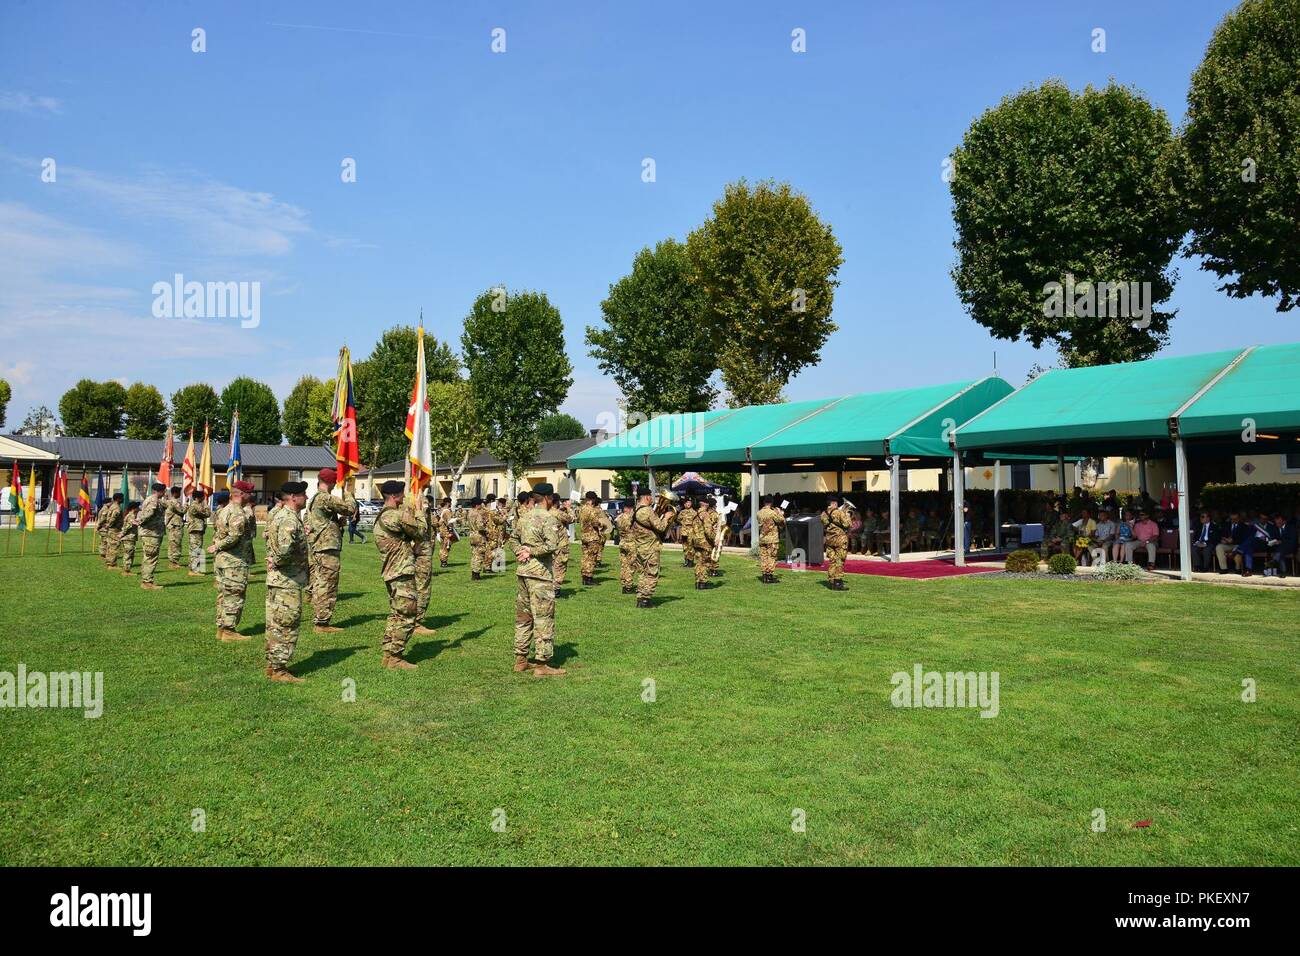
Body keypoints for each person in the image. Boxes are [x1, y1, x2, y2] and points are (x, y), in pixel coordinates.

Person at [510, 483, 565, 676]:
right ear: (548, 498)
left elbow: (513, 539)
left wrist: (521, 553)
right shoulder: (548, 518)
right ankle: (542, 664)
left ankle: (521, 659)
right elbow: (552, 545)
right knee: (543, 617)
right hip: (539, 574)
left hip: (523, 572)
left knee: (523, 618)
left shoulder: (524, 516)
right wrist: (530, 551)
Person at [372, 480, 426, 669]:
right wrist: (419, 510)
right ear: (394, 496)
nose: (404, 497)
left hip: (391, 572)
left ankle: (389, 654)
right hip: (401, 572)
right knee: (407, 615)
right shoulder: (395, 516)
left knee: (396, 614)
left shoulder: (382, 516)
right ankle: (395, 658)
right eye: (402, 495)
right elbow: (420, 532)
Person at [264, 481, 310, 683]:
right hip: (287, 581)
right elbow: (284, 550)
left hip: (280, 580)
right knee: (286, 625)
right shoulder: (288, 518)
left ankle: (273, 665)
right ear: (293, 497)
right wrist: (277, 560)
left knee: (275, 624)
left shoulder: (282, 515)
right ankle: (280, 670)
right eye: (303, 495)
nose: (306, 498)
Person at [305, 467, 356, 635]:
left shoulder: (314, 499)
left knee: (321, 581)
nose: (335, 485)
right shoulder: (325, 498)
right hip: (327, 546)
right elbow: (349, 509)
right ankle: (322, 622)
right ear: (330, 482)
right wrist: (348, 492)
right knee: (328, 583)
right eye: (335, 482)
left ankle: (320, 619)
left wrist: (335, 523)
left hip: (320, 545)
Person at [209, 481, 256, 642]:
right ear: (242, 494)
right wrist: (218, 546)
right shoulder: (237, 512)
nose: (252, 496)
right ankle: (229, 631)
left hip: (223, 560)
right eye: (250, 493)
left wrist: (217, 546)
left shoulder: (224, 510)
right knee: (234, 595)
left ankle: (221, 628)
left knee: (224, 594)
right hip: (234, 560)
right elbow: (234, 536)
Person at [630, 489, 677, 608]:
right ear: (646, 498)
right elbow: (660, 527)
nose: (653, 499)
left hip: (640, 547)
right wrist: (666, 517)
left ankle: (641, 598)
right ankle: (645, 600)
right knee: (651, 574)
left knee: (642, 574)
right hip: (650, 548)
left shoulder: (636, 509)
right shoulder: (648, 510)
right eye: (651, 497)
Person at [136, 482, 168, 590]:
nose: (165, 493)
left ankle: (146, 580)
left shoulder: (153, 499)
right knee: (151, 557)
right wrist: (140, 521)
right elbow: (150, 512)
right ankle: (147, 582)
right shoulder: (153, 500)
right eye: (164, 491)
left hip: (152, 533)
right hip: (152, 533)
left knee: (148, 557)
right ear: (160, 491)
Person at [579, 491, 612, 586]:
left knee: (585, 557)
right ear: (593, 499)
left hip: (584, 535)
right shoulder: (591, 510)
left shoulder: (582, 509)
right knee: (591, 558)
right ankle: (588, 578)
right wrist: (603, 524)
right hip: (592, 536)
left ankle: (584, 576)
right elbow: (595, 523)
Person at [821, 495, 851, 590]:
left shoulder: (823, 514)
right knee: (839, 561)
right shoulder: (839, 512)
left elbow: (826, 524)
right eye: (836, 503)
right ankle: (838, 582)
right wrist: (847, 515)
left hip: (830, 540)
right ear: (833, 503)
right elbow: (847, 524)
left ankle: (832, 579)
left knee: (832, 560)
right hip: (840, 540)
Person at [690, 497, 721, 589]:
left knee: (699, 562)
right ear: (705, 504)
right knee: (705, 562)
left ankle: (698, 581)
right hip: (704, 542)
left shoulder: (695, 513)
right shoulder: (705, 514)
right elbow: (708, 531)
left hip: (696, 541)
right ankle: (703, 582)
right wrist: (715, 539)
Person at [756, 495, 785, 583]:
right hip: (772, 539)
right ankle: (769, 576)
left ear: (764, 502)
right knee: (771, 557)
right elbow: (782, 522)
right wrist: (780, 513)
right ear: (771, 503)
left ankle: (764, 575)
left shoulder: (759, 513)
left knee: (764, 557)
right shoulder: (773, 513)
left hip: (762, 538)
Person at [550, 495, 575, 593]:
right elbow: (572, 519)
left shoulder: (545, 512)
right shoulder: (558, 513)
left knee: (549, 565)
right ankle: (556, 589)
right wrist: (569, 508)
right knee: (559, 566)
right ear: (556, 502)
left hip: (548, 543)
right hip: (560, 544)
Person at [185, 490, 211, 576]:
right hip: (196, 529)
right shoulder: (195, 506)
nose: (204, 498)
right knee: (196, 549)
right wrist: (206, 505)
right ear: (198, 498)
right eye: (203, 497)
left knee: (194, 549)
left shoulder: (196, 505)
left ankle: (193, 568)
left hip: (196, 529)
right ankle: (194, 570)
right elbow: (207, 514)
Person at [615, 499, 636, 594]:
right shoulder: (632, 517)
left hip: (622, 543)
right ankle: (628, 586)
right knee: (630, 566)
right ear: (632, 507)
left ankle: (624, 584)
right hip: (631, 544)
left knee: (624, 565)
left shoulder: (619, 517)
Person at [1269, 512, 1296, 578]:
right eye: (1276, 522)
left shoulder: (1291, 528)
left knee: (1280, 550)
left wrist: (1281, 542)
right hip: (1279, 549)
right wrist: (1273, 542)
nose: (1277, 524)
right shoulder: (1274, 528)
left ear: (1284, 521)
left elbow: (1292, 541)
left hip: (1290, 547)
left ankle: (1275, 560)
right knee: (1280, 552)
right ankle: (1283, 572)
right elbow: (1272, 538)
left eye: (1279, 522)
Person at [99, 492, 123, 566]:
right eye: (122, 498)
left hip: (112, 529)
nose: (123, 499)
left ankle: (109, 562)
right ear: (118, 499)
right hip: (114, 529)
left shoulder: (112, 506)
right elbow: (113, 518)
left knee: (110, 546)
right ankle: (111, 564)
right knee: (114, 546)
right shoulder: (116, 507)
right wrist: (109, 525)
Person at [165, 487, 185, 568]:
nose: (180, 494)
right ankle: (174, 562)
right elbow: (182, 511)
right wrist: (186, 505)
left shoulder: (169, 501)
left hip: (172, 525)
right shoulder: (175, 502)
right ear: (175, 493)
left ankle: (172, 561)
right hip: (176, 525)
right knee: (176, 543)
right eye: (179, 492)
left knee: (172, 543)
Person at [467, 497, 487, 580]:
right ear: (477, 505)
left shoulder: (469, 512)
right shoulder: (477, 514)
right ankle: (476, 573)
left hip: (472, 534)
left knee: (474, 554)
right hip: (478, 535)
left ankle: (473, 572)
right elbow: (480, 526)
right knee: (479, 555)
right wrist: (486, 528)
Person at [118, 501, 140, 573]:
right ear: (134, 508)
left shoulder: (132, 515)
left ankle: (127, 570)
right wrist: (122, 534)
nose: (139, 508)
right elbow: (127, 526)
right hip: (128, 538)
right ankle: (126, 571)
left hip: (130, 537)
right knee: (128, 553)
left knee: (130, 553)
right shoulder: (131, 515)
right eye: (137, 507)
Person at [677, 496, 698, 567]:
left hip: (691, 531)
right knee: (685, 546)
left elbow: (696, 522)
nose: (688, 504)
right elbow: (678, 519)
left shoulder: (694, 512)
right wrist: (683, 523)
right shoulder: (682, 512)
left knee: (691, 546)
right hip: (684, 531)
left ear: (691, 503)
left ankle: (691, 561)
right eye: (686, 502)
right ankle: (686, 560)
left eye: (689, 502)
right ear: (684, 504)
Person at [437, 497, 455, 567]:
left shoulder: (441, 510)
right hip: (446, 531)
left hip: (441, 531)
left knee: (442, 547)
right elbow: (449, 522)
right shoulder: (447, 511)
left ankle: (442, 561)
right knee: (446, 547)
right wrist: (450, 531)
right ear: (448, 503)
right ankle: (444, 562)